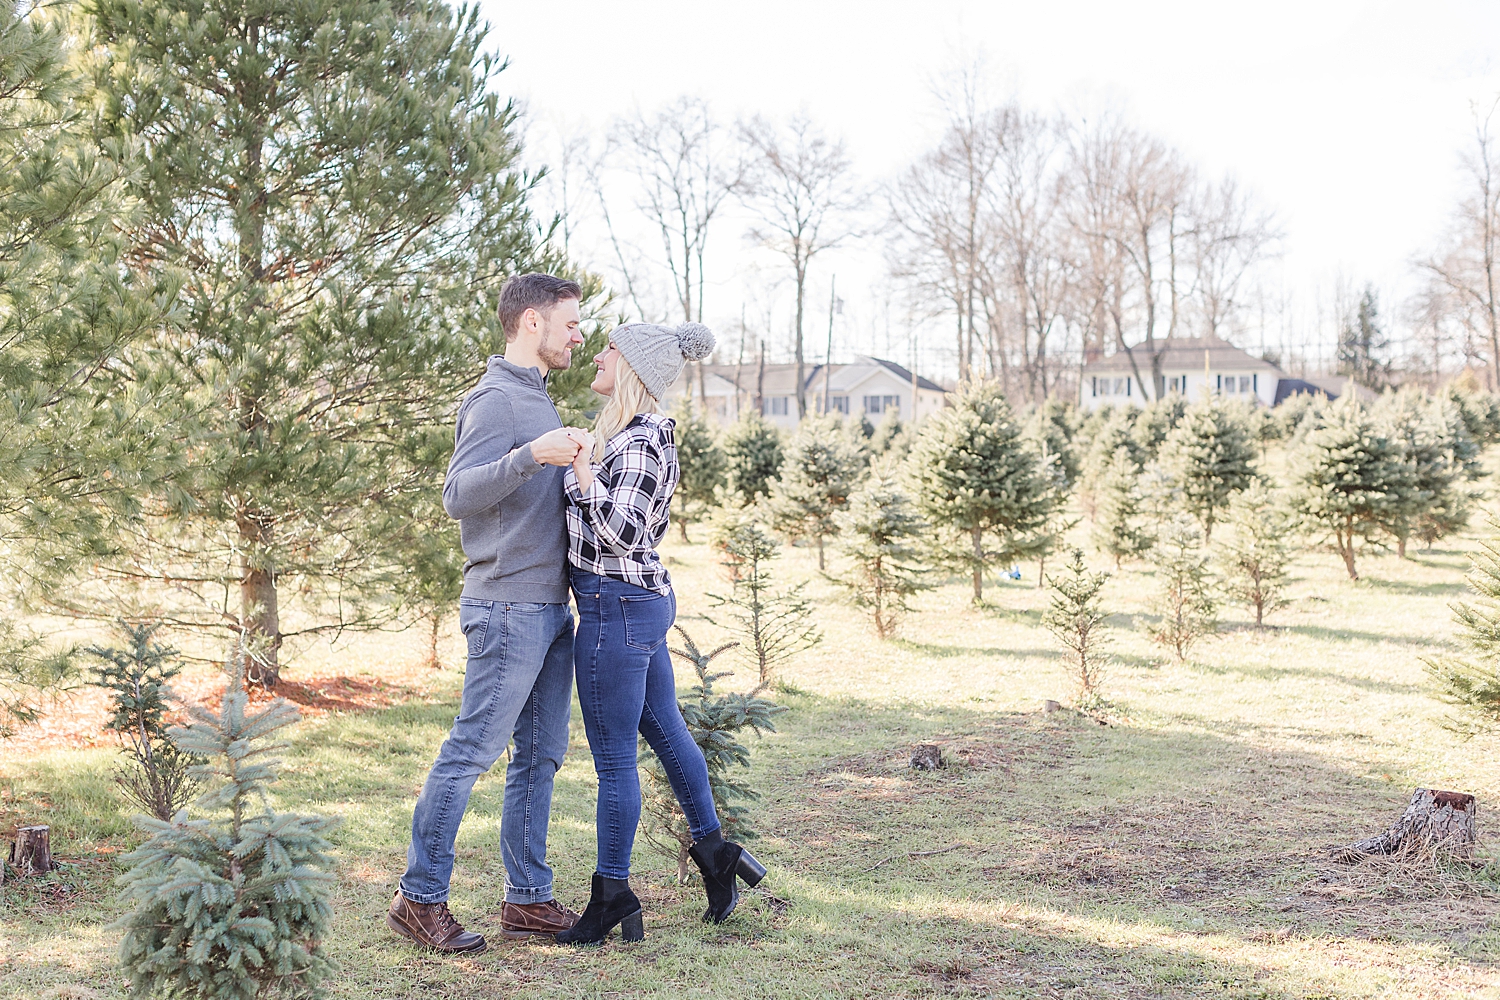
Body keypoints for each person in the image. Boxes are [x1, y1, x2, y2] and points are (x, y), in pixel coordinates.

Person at [387, 273, 589, 954]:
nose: (578, 335)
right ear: (532, 322)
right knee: (470, 753)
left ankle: (527, 900)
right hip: (506, 607)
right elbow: (457, 494)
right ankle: (418, 899)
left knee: (539, 757)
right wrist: (533, 455)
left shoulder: (536, 396)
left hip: (547, 606)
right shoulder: (497, 399)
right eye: (570, 323)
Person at [554, 320, 767, 946]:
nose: (597, 353)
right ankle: (718, 857)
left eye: (610, 348)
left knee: (615, 759)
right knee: (667, 732)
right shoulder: (628, 434)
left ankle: (612, 895)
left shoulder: (642, 442)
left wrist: (585, 470)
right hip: (632, 604)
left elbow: (623, 532)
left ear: (635, 369)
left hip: (614, 607)